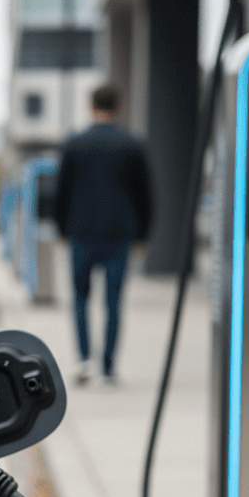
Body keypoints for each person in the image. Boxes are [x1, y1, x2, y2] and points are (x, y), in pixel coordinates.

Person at [53, 83, 153, 386]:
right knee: (113, 302)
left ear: (90, 106)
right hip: (119, 234)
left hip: (81, 232)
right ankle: (108, 367)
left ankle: (84, 360)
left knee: (80, 299)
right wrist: (143, 233)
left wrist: (61, 228)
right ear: (117, 107)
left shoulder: (74, 144)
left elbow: (62, 191)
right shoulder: (132, 144)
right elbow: (145, 194)